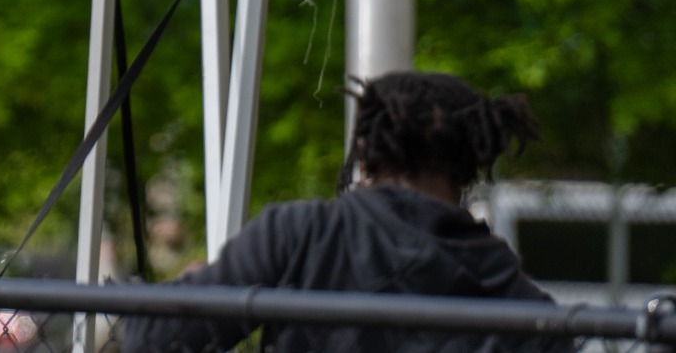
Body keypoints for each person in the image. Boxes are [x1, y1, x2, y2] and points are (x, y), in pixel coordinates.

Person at [123, 70, 562, 353]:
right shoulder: (511, 291)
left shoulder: (302, 234)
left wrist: (182, 294)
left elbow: (155, 342)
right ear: (471, 165)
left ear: (366, 152)